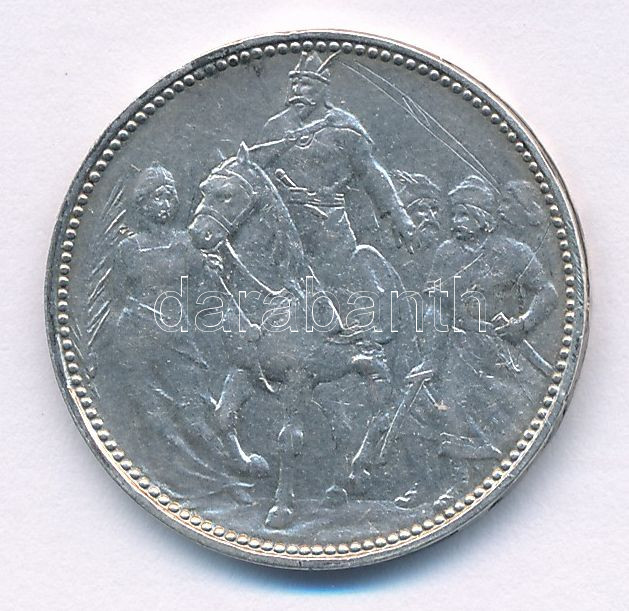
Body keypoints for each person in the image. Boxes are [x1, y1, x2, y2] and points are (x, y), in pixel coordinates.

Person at [397, 174, 558, 508]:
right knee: (431, 405)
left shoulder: (513, 252)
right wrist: (430, 352)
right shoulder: (446, 253)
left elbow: (547, 292)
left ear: (483, 218)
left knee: (479, 405)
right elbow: (434, 305)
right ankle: (437, 481)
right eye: (454, 213)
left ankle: (472, 477)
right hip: (450, 345)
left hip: (496, 349)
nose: (456, 221)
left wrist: (523, 323)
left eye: (464, 214)